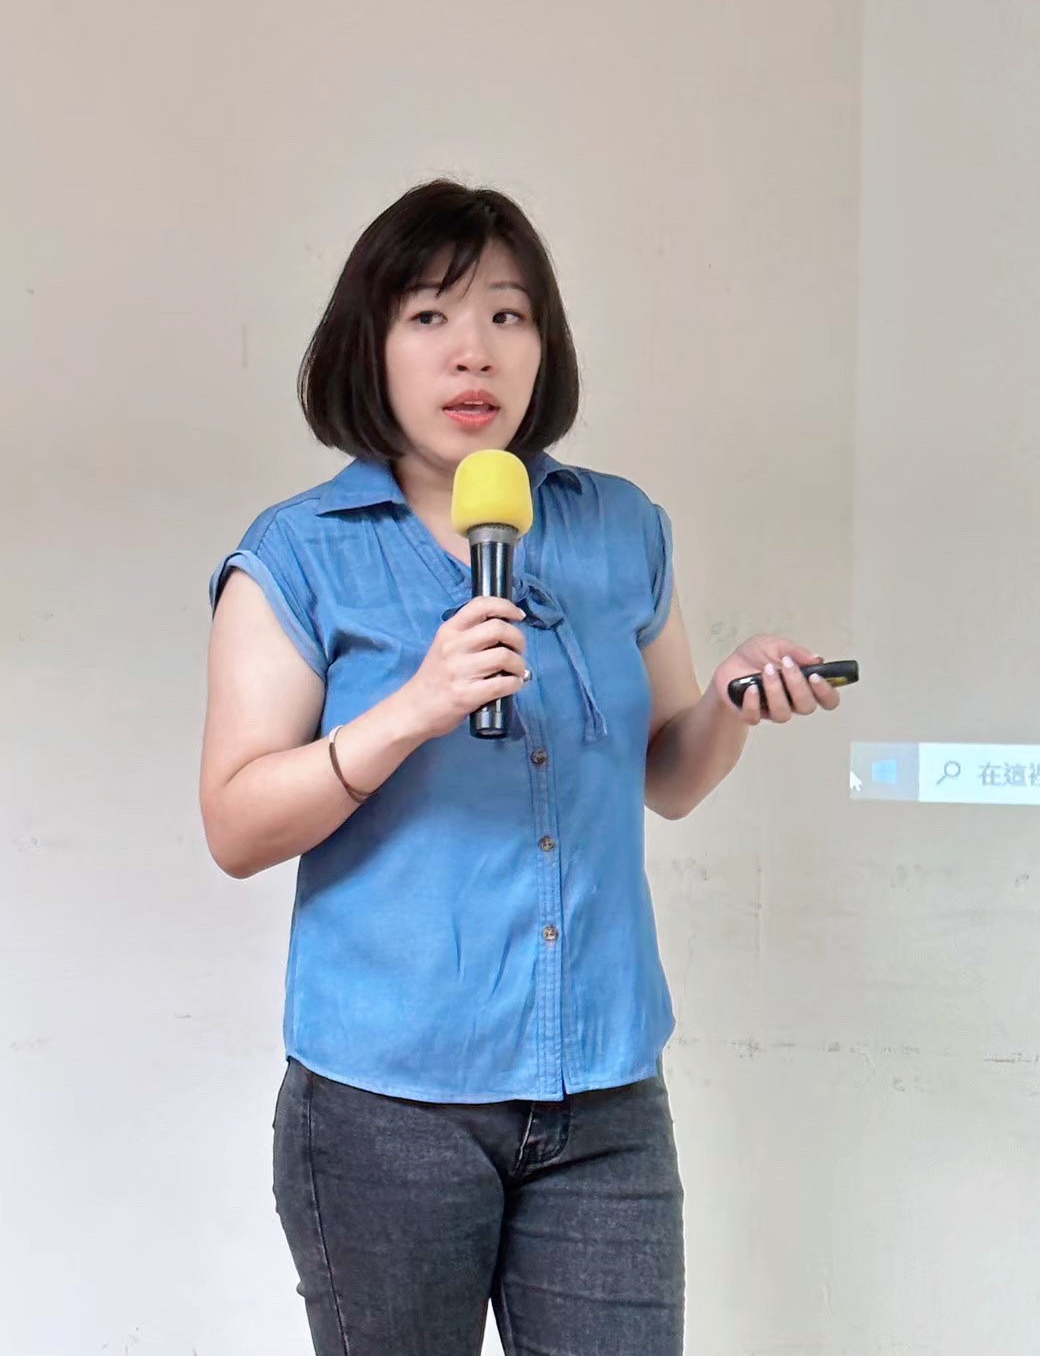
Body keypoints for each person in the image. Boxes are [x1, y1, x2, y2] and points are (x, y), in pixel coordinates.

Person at [199, 178, 840, 1356]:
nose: (474, 351)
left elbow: (669, 773)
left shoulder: (617, 527)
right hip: (386, 1107)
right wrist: (411, 711)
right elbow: (236, 826)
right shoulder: (298, 554)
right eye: (428, 316)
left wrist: (732, 701)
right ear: (369, 342)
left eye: (507, 314)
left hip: (602, 1096)